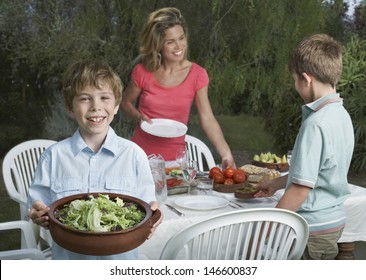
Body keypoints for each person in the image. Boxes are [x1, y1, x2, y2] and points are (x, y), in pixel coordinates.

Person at [28, 60, 163, 260]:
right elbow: (37, 206)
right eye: (84, 99)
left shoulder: (134, 155)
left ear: (116, 106)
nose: (96, 107)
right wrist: (36, 213)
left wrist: (154, 214)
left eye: (104, 98)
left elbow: (147, 207)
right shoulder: (52, 157)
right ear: (70, 108)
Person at [254, 34, 354, 260]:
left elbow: (300, 191)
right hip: (332, 222)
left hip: (311, 229)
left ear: (306, 79)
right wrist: (276, 183)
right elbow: (315, 173)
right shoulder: (341, 115)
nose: (295, 86)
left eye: (294, 80)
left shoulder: (315, 124)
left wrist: (267, 228)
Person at [121, 7, 235, 168]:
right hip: (139, 156)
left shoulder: (197, 75)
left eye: (181, 38)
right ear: (158, 44)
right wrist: (139, 117)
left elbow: (208, 119)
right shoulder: (142, 71)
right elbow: (125, 103)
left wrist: (226, 154)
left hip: (176, 161)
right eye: (170, 42)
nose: (179, 46)